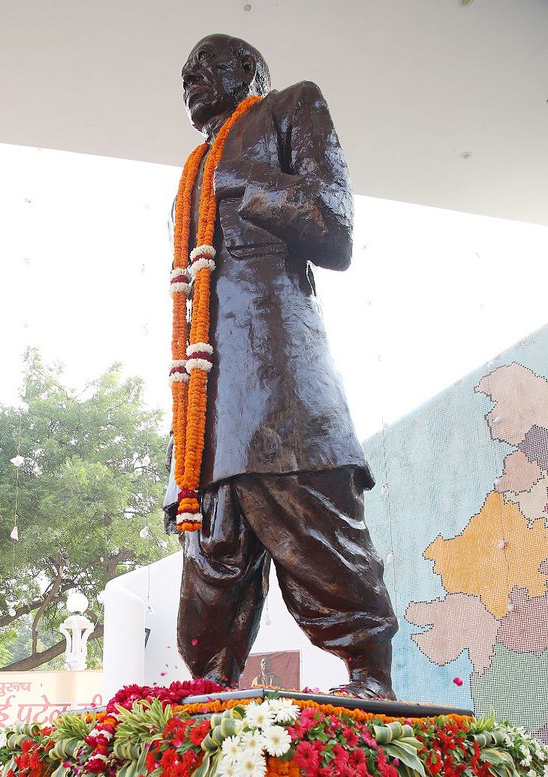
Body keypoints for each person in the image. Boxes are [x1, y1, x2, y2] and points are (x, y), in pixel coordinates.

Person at [165, 34, 398, 699]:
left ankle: (369, 678)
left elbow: (334, 229)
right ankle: (206, 690)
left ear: (247, 72)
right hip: (206, 397)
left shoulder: (291, 108)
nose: (187, 77)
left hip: (283, 380)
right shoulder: (191, 173)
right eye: (184, 73)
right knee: (210, 549)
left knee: (313, 520)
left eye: (203, 66)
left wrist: (242, 178)